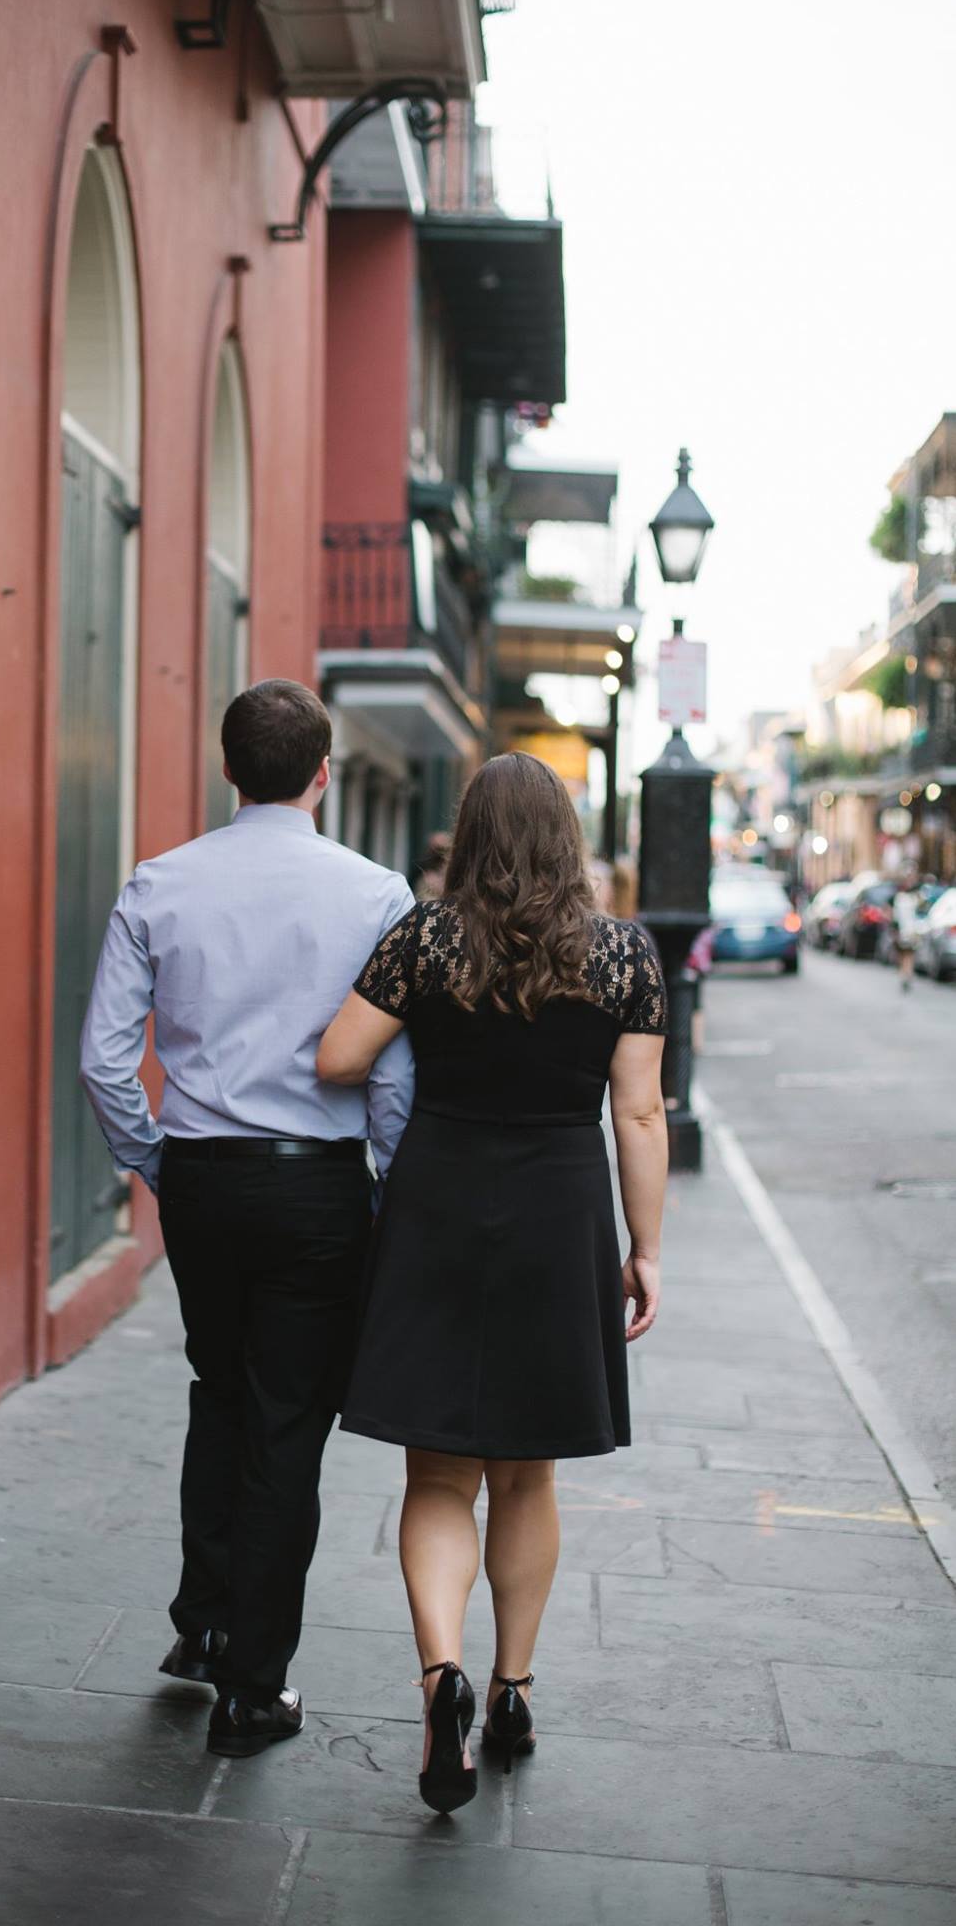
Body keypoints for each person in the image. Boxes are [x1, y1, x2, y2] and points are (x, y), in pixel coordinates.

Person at [317, 751, 668, 1814]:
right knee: (528, 1476)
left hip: (438, 1202)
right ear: (566, 839)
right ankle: (513, 1687)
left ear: (468, 836)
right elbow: (640, 1115)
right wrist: (644, 1248)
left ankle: (443, 1677)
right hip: (562, 1210)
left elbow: (339, 1056)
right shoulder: (623, 955)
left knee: (437, 1479)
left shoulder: (426, 936)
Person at [79, 679, 414, 1759]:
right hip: (318, 1185)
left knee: (220, 1389)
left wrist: (150, 1157)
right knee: (284, 1426)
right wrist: (390, 1182)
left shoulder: (160, 882)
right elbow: (394, 1077)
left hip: (205, 1182)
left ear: (231, 770)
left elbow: (102, 1057)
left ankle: (203, 1624)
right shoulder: (377, 893)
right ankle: (252, 1686)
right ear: (323, 773)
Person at [892, 868, 923, 992]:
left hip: (905, 931)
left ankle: (905, 974)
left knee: (905, 955)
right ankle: (907, 974)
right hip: (910, 931)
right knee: (908, 955)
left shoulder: (900, 898)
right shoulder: (914, 899)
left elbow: (895, 918)